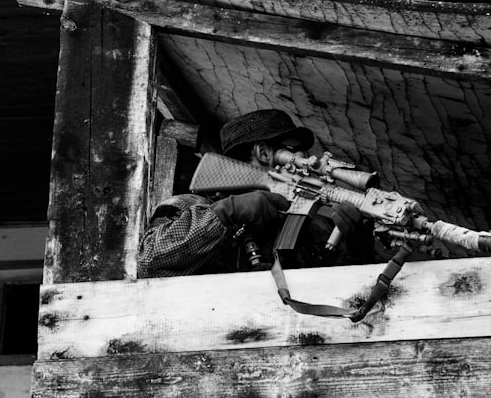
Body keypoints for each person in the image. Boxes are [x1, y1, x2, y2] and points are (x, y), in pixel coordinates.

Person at [137, 109, 379, 278]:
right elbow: (149, 262)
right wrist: (225, 212)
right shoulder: (189, 206)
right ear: (264, 153)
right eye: (296, 151)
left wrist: (360, 248)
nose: (307, 159)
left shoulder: (313, 227)